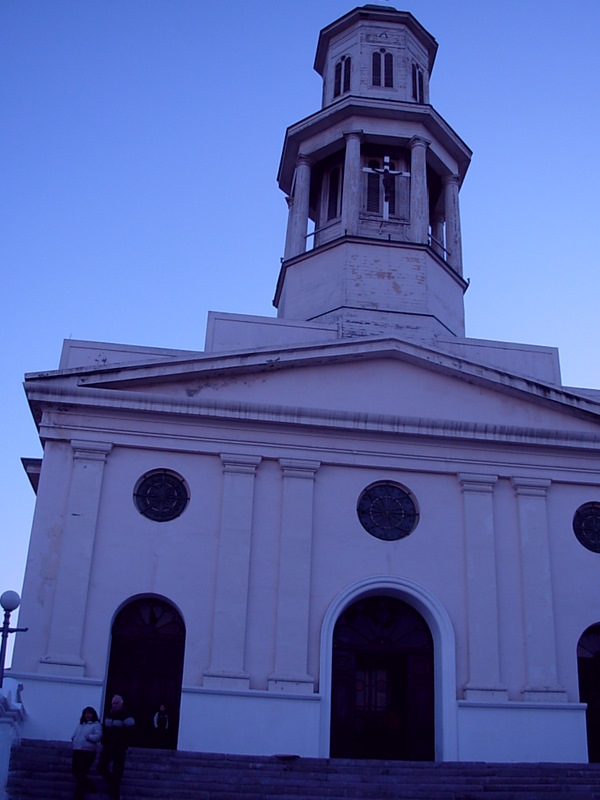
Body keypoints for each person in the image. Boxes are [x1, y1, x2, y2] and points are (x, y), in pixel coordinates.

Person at [97, 694, 135, 800]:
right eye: (113, 703)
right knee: (101, 767)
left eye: (117, 703)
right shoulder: (108, 715)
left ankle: (115, 793)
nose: (114, 705)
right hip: (108, 746)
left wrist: (123, 743)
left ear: (121, 704)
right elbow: (104, 729)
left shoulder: (127, 716)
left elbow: (130, 732)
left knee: (117, 770)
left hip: (119, 747)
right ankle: (112, 784)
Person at [71, 706, 102, 799]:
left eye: (90, 713)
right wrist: (73, 738)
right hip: (77, 750)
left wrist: (89, 737)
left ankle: (78, 795)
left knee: (81, 772)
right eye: (86, 713)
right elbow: (75, 734)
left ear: (93, 714)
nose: (88, 715)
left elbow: (98, 736)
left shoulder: (96, 724)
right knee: (75, 771)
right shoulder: (80, 725)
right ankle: (90, 786)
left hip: (88, 752)